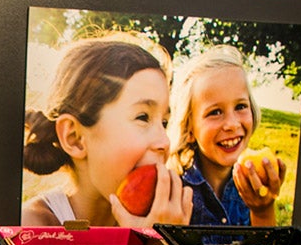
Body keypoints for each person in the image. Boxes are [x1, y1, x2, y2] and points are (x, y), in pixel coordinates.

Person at [21, 33, 192, 228]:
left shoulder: (163, 218)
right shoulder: (32, 226)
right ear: (74, 137)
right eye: (143, 117)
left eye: (164, 122)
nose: (165, 142)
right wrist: (150, 240)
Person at [168, 45, 286, 226]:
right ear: (189, 129)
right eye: (215, 112)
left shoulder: (254, 184)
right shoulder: (174, 191)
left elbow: (265, 244)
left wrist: (263, 211)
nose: (232, 124)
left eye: (240, 107)